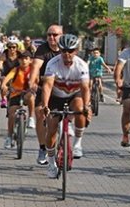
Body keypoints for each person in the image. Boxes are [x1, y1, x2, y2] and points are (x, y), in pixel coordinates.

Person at [38, 34, 92, 178]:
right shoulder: (53, 64)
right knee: (51, 128)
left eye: (71, 51)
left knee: (81, 110)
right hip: (56, 97)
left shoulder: (81, 65)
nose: (67, 54)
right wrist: (44, 105)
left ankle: (78, 143)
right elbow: (47, 86)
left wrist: (88, 106)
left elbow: (85, 88)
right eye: (64, 51)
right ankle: (50, 163)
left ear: (76, 51)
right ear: (60, 50)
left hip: (74, 95)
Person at [29, 24, 64, 164]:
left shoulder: (66, 48)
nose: (51, 37)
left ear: (62, 35)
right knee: (39, 112)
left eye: (55, 35)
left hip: (63, 88)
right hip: (45, 87)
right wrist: (32, 81)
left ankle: (67, 134)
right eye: (49, 34)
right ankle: (43, 147)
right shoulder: (42, 49)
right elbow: (36, 66)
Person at [0, 50, 34, 149]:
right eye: (21, 59)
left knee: (31, 96)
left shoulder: (33, 70)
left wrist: (35, 85)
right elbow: (7, 78)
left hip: (27, 93)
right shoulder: (16, 69)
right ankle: (9, 136)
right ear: (18, 60)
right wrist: (4, 85)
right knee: (11, 114)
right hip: (15, 94)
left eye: (26, 59)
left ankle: (31, 118)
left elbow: (36, 80)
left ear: (30, 60)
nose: (24, 61)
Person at [0, 36, 24, 110]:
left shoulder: (20, 55)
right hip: (6, 75)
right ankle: (4, 99)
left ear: (17, 47)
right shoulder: (4, 54)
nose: (11, 49)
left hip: (17, 75)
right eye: (9, 47)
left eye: (14, 47)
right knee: (3, 80)